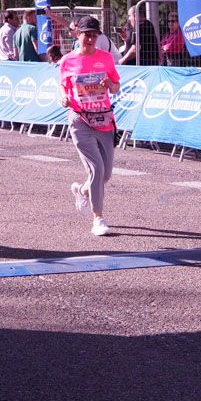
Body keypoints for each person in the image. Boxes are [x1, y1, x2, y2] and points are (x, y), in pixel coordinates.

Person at [61, 17, 121, 236]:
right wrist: (63, 98)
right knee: (96, 169)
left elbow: (116, 87)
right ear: (78, 35)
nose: (91, 39)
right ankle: (98, 218)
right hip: (79, 120)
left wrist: (109, 84)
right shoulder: (67, 60)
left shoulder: (105, 58)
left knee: (105, 175)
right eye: (87, 35)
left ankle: (83, 190)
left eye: (95, 35)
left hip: (103, 119)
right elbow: (63, 85)